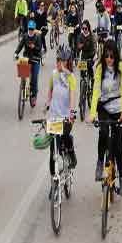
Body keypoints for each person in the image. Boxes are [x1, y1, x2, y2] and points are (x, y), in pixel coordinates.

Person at [88, 40, 122, 196]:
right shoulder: (99, 69)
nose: (109, 59)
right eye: (106, 56)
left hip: (118, 109)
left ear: (116, 56)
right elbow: (96, 91)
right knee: (103, 133)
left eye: (112, 56)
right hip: (104, 108)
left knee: (118, 149)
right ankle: (99, 162)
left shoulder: (121, 68)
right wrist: (92, 114)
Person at [46, 45, 78, 175]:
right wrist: (47, 104)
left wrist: (71, 112)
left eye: (62, 60)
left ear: (67, 62)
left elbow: (72, 96)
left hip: (65, 117)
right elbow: (50, 90)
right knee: (53, 150)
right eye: (58, 60)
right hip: (53, 117)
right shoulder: (53, 74)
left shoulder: (71, 77)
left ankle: (71, 153)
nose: (59, 63)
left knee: (65, 137)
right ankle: (54, 180)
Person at [14, 20, 43, 106]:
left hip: (35, 59)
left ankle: (33, 95)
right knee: (23, 76)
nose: (30, 30)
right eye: (29, 29)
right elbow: (20, 45)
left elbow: (39, 49)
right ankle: (23, 89)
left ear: (34, 29)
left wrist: (34, 47)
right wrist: (16, 53)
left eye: (32, 29)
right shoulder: (25, 36)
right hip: (26, 58)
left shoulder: (37, 37)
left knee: (34, 80)